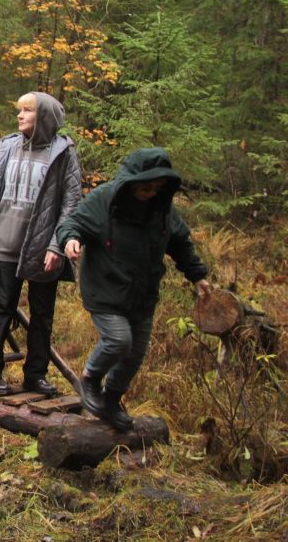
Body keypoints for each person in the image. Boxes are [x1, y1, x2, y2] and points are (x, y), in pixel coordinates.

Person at [57, 147, 212, 431]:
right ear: (131, 182)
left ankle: (111, 399)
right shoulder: (105, 200)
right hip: (105, 288)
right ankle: (90, 379)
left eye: (156, 187)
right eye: (144, 186)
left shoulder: (163, 210)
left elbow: (181, 244)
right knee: (118, 341)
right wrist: (70, 240)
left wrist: (198, 276)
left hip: (142, 293)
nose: (150, 192)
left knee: (135, 352)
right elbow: (73, 223)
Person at [0, 92, 82, 396]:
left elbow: (71, 203)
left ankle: (35, 375)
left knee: (42, 315)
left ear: (44, 116)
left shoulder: (63, 153)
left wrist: (57, 245)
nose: (19, 115)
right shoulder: (7, 146)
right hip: (4, 247)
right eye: (18, 110)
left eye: (27, 111)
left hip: (41, 250)